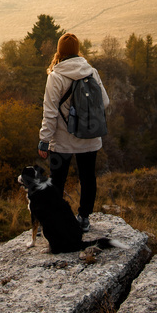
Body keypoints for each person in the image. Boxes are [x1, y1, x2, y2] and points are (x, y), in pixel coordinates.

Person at [37, 32, 109, 231]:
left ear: (59, 51)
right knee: (88, 178)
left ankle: (56, 220)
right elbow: (104, 102)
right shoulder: (92, 72)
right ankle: (84, 218)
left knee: (57, 180)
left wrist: (44, 140)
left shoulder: (56, 76)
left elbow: (50, 112)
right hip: (89, 137)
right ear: (78, 51)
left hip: (62, 140)